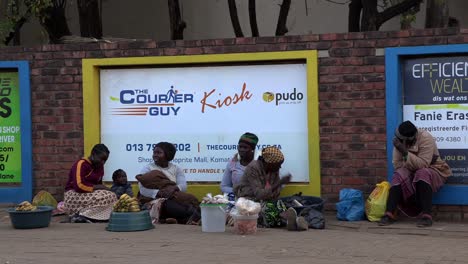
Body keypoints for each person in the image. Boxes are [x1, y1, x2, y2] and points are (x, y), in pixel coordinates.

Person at [379, 121, 451, 227]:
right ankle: (389, 214)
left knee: (422, 173)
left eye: (401, 141)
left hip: (434, 170)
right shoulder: (399, 142)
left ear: (408, 140)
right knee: (399, 174)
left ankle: (427, 216)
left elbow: (423, 164)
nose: (398, 142)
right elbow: (397, 165)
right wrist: (407, 157)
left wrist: (405, 152)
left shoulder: (426, 138)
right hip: (412, 171)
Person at [234, 146, 308, 231]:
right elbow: (259, 194)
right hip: (248, 200)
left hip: (264, 199)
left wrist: (274, 191)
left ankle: (291, 221)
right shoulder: (253, 168)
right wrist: (279, 183)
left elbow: (276, 193)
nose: (279, 167)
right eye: (278, 165)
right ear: (268, 163)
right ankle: (290, 222)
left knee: (279, 205)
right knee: (267, 210)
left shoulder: (272, 170)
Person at [137, 142, 200, 225]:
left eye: (159, 153)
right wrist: (159, 193)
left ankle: (182, 219)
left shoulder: (176, 169)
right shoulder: (148, 168)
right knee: (168, 205)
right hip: (156, 201)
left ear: (168, 154)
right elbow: (142, 189)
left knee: (188, 203)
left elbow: (183, 186)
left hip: (173, 197)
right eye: (154, 152)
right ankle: (188, 218)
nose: (155, 155)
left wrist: (173, 188)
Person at [63, 144, 117, 221]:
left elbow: (99, 183)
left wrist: (103, 189)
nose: (103, 162)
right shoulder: (81, 164)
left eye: (105, 160)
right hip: (73, 195)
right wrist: (101, 187)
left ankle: (89, 216)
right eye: (101, 159)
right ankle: (80, 215)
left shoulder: (100, 166)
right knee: (106, 196)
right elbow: (79, 186)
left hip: (89, 194)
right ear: (93, 154)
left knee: (112, 196)